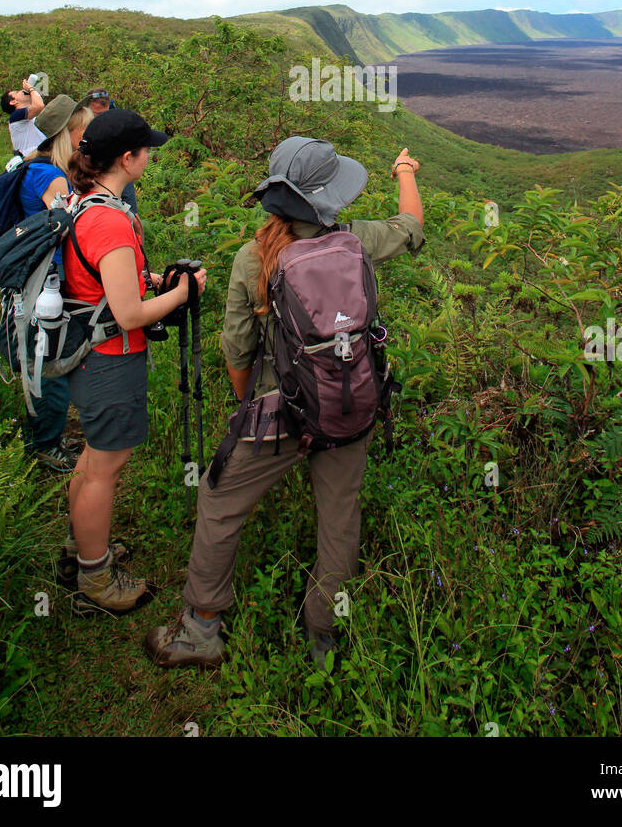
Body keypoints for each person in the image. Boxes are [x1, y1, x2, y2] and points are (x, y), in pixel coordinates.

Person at [144, 138, 424, 670]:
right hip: (350, 402)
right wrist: (404, 170)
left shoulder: (253, 258)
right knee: (340, 518)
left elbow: (236, 350)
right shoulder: (356, 240)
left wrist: (251, 407)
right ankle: (324, 640)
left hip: (279, 409)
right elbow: (411, 227)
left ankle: (202, 630)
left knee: (219, 501)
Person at [62, 108, 207, 615]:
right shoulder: (110, 222)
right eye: (146, 149)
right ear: (127, 158)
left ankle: (81, 547)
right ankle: (95, 579)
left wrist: (160, 289)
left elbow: (110, 289)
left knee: (94, 458)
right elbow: (128, 314)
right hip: (108, 359)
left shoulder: (87, 201)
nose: (151, 155)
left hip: (87, 356)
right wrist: (185, 291)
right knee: (107, 466)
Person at [15, 95, 93, 473]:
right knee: (50, 361)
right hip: (46, 282)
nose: (86, 138)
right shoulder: (53, 177)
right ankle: (45, 444)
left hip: (32, 278)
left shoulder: (33, 165)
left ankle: (48, 435)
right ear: (68, 134)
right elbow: (68, 228)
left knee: (41, 356)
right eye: (82, 130)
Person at [78, 88, 138, 214]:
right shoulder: (78, 134)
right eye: (96, 116)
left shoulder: (118, 130)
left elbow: (128, 198)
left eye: (104, 115)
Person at [1, 79, 46, 156]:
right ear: (13, 102)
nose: (22, 91)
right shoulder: (15, 117)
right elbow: (39, 106)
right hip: (31, 163)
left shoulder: (32, 118)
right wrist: (31, 89)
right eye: (17, 92)